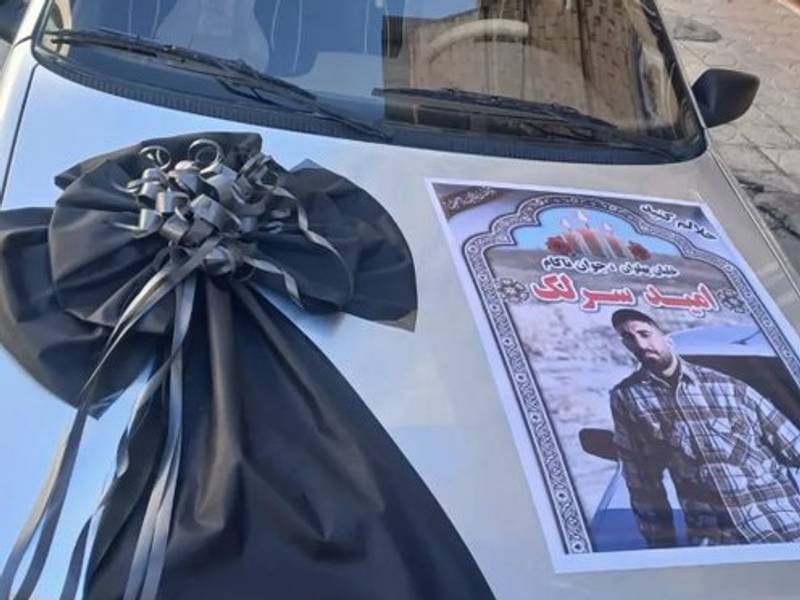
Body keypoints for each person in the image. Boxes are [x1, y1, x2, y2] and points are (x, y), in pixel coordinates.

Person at [609, 308, 800, 548]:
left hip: (782, 524)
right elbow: (642, 482)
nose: (640, 344)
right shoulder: (626, 398)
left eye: (645, 334)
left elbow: (794, 444)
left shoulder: (728, 386)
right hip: (716, 540)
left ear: (665, 337)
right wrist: (662, 548)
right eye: (628, 338)